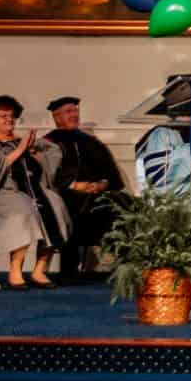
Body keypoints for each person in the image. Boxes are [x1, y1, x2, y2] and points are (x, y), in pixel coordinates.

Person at [0, 96, 70, 289]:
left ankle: (39, 270)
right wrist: (20, 150)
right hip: (0, 193)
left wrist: (36, 154)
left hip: (32, 190)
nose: (9, 119)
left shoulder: (20, 141)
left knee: (55, 204)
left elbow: (53, 152)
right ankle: (15, 271)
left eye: (11, 115)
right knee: (22, 210)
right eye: (2, 116)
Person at [43, 97, 123, 281]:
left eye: (75, 111)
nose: (74, 115)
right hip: (65, 193)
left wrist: (102, 184)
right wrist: (75, 185)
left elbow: (111, 173)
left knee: (122, 203)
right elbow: (47, 175)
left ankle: (125, 270)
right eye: (68, 112)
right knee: (71, 205)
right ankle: (69, 269)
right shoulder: (48, 142)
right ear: (56, 117)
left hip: (97, 193)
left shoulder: (91, 141)